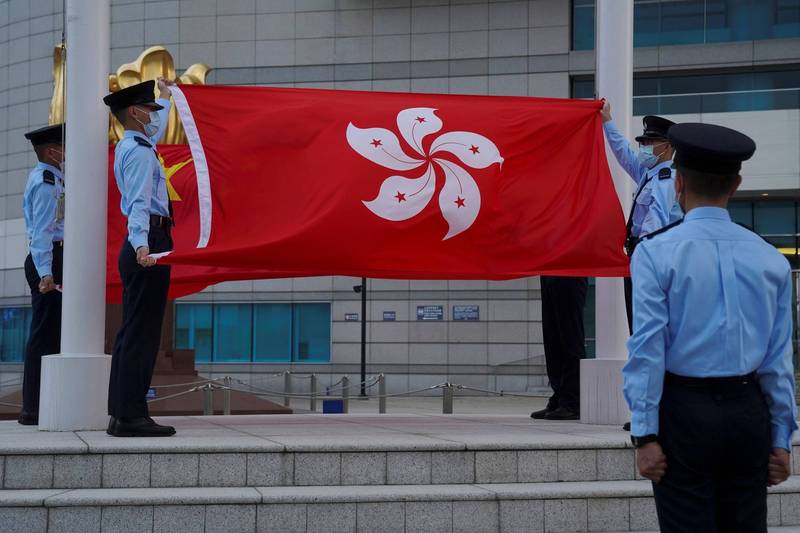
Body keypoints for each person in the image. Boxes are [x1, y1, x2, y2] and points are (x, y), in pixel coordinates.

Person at [623, 122, 797, 532]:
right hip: (747, 410)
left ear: (678, 183)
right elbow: (778, 360)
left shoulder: (654, 253)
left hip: (684, 412)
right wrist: (780, 436)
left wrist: (645, 434)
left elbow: (648, 348)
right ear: (735, 185)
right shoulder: (771, 259)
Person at [103, 79, 176, 437]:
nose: (154, 116)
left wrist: (165, 94)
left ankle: (122, 412)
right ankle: (131, 416)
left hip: (147, 238)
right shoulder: (140, 152)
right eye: (149, 109)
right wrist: (142, 245)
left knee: (133, 331)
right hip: (148, 238)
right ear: (134, 112)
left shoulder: (136, 144)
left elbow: (157, 127)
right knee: (142, 334)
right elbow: (138, 203)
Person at [600, 102, 683, 332]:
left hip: (650, 257)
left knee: (646, 324)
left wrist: (642, 261)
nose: (644, 147)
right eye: (643, 142)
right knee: (638, 322)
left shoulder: (667, 180)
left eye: (649, 142)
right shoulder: (649, 173)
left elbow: (654, 224)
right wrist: (607, 121)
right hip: (640, 254)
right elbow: (624, 153)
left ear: (666, 147)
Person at [18, 124, 66, 425]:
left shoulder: (55, 177)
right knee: (44, 336)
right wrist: (46, 273)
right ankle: (33, 408)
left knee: (52, 334)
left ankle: (40, 404)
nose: (67, 153)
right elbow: (42, 232)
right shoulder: (47, 182)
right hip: (48, 259)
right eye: (63, 148)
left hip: (54, 257)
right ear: (51, 151)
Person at [531, 276, 588, 421]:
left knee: (570, 337)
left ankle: (572, 401)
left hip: (571, 270)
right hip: (550, 269)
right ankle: (559, 396)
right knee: (552, 338)